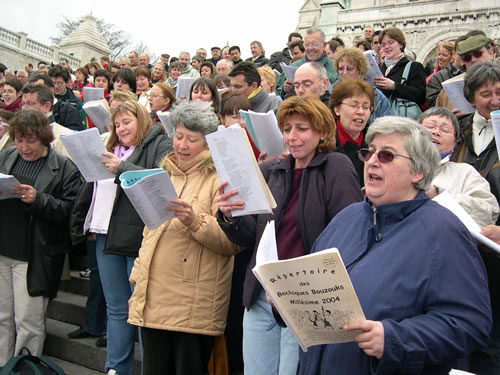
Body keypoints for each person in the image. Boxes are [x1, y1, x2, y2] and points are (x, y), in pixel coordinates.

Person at [298, 116, 492, 375]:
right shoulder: (346, 217)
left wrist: (394, 338)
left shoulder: (443, 232)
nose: (373, 161)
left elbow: (470, 324)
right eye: (369, 153)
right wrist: (289, 300)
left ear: (418, 172)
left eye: (387, 155)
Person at [217, 94, 363, 375]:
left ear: (322, 132)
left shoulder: (336, 166)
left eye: (302, 128)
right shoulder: (272, 171)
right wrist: (228, 215)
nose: (292, 137)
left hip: (306, 298)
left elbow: (350, 233)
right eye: (287, 129)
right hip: (262, 295)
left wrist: (305, 286)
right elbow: (252, 238)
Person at [127, 101, 239, 375]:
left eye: (192, 139)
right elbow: (149, 234)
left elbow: (233, 242)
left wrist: (194, 221)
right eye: (178, 137)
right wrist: (138, 278)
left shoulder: (221, 178)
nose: (182, 145)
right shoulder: (164, 174)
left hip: (194, 305)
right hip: (153, 299)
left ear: (208, 143)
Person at [71, 101, 172, 375]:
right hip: (105, 235)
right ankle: (116, 368)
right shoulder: (107, 147)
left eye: (127, 121)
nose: (121, 128)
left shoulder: (159, 142)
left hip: (136, 237)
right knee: (116, 308)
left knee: (139, 309)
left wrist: (122, 167)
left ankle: (148, 368)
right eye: (117, 124)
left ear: (140, 119)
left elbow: (158, 179)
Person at [0, 109, 81, 366]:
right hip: (3, 248)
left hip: (35, 254)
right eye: (20, 140)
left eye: (31, 141)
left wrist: (38, 199)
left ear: (44, 139)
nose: (24, 147)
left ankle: (24, 369)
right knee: (2, 317)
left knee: (28, 321)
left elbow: (70, 210)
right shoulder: (7, 155)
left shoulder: (63, 167)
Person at [452, 61, 500, 375]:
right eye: (486, 94)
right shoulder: (461, 130)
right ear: (471, 98)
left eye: (499, 92)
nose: (495, 99)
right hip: (463, 247)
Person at [418, 107, 498, 226]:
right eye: (430, 126)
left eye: (445, 130)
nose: (436, 132)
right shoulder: (390, 164)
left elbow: (488, 212)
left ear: (454, 145)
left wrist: (440, 195)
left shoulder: (464, 172)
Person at [329, 78, 374, 186]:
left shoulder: (374, 143)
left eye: (366, 107)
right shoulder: (322, 141)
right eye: (354, 105)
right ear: (337, 109)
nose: (360, 112)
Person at [333, 48, 391, 125]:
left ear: (359, 70)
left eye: (349, 68)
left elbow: (386, 127)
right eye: (341, 68)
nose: (344, 72)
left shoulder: (377, 96)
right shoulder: (332, 92)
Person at [276, 28, 338, 98]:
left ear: (324, 45)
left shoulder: (337, 67)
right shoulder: (293, 67)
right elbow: (278, 92)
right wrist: (284, 90)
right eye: (307, 44)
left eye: (315, 44)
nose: (310, 48)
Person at [373, 27, 427, 107]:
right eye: (383, 45)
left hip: (401, 117)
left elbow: (421, 96)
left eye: (390, 42)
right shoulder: (379, 69)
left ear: (401, 44)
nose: (387, 47)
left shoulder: (414, 67)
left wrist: (394, 86)